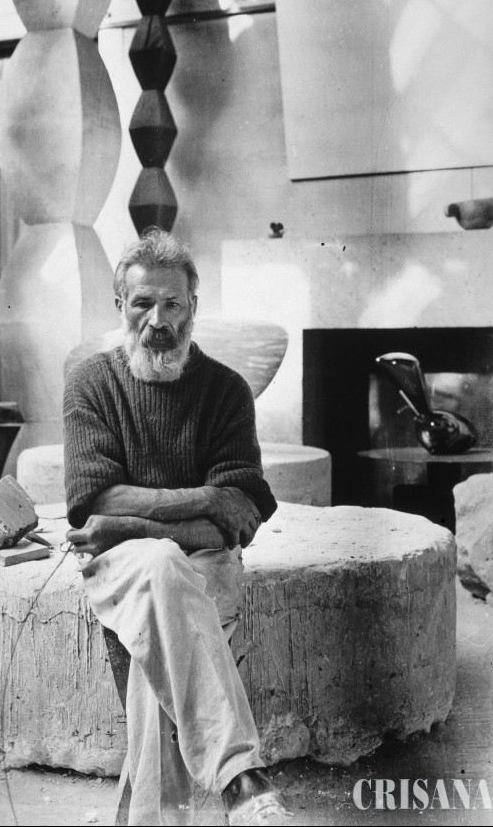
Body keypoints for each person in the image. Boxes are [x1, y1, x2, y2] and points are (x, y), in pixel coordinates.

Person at [63, 227, 292, 826]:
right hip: (121, 565)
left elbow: (234, 526)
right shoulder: (91, 383)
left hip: (201, 561)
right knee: (161, 565)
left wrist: (124, 524)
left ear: (193, 307)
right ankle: (242, 779)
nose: (158, 320)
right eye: (142, 303)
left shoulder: (226, 391)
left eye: (173, 304)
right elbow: (95, 498)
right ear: (120, 305)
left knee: (158, 625)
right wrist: (205, 498)